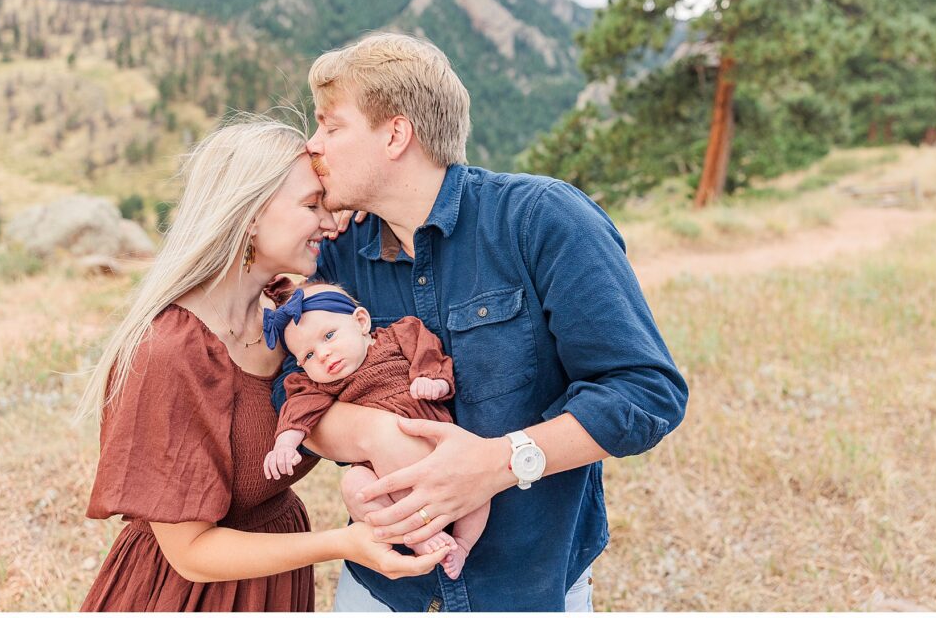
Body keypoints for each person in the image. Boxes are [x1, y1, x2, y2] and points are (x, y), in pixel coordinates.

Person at [270, 33, 689, 611]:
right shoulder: (340, 258)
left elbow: (646, 394)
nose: (314, 146)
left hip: (528, 587)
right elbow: (285, 392)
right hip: (383, 590)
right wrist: (374, 436)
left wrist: (498, 462)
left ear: (395, 134)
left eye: (331, 126)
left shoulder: (541, 219)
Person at [76, 118, 449, 612]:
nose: (328, 218)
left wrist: (369, 209)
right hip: (188, 594)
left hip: (272, 580)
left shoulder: (290, 319)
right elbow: (190, 553)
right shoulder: (167, 351)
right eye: (311, 205)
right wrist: (343, 544)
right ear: (250, 215)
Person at [261, 279, 490, 580]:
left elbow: (428, 352)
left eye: (329, 336)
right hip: (386, 477)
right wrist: (285, 444)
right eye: (308, 356)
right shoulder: (320, 384)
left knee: (480, 481)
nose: (324, 354)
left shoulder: (397, 337)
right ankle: (419, 537)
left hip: (437, 452)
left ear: (361, 321)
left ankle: (461, 544)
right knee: (355, 484)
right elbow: (299, 408)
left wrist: (434, 381)